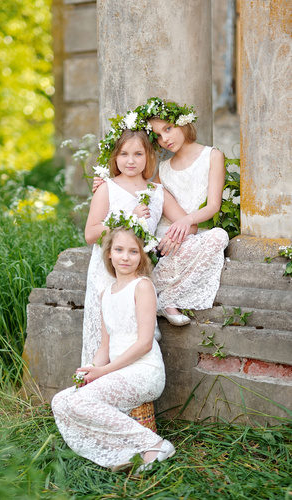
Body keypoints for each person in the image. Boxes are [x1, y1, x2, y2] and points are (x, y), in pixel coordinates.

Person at [93, 97, 229, 323]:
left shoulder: (212, 156)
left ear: (183, 123)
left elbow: (214, 206)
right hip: (161, 233)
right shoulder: (163, 168)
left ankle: (162, 297)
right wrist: (105, 183)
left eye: (168, 129)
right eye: (157, 135)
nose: (164, 139)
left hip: (189, 227)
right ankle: (155, 297)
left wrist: (186, 223)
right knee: (158, 245)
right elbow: (145, 194)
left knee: (218, 236)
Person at [51, 226, 175, 472]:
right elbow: (105, 345)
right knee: (60, 401)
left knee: (80, 403)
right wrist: (92, 369)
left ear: (142, 255)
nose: (125, 257)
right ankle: (124, 452)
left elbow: (144, 343)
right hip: (117, 371)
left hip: (143, 371)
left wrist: (104, 371)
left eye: (133, 251)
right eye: (119, 250)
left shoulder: (142, 286)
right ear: (109, 254)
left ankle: (155, 445)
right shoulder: (106, 293)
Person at [82, 126, 197, 366]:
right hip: (109, 271)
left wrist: (170, 235)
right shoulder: (106, 188)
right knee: (107, 336)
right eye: (124, 154)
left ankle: (133, 386)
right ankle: (95, 379)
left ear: (148, 157)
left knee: (135, 333)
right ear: (115, 157)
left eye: (138, 154)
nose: (130, 161)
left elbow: (189, 224)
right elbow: (91, 233)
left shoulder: (157, 193)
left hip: (138, 270)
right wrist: (128, 217)